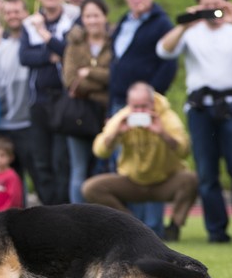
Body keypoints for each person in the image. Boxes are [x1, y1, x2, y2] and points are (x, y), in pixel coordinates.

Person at [157, 0, 232, 244]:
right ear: (198, 5)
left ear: (226, 3)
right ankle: (217, 231)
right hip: (200, 107)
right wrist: (187, 22)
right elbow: (163, 50)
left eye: (217, 4)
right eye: (206, 4)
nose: (212, 10)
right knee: (207, 173)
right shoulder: (191, 31)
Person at [109, 0, 178, 232]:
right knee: (126, 164)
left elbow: (169, 64)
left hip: (146, 105)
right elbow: (116, 68)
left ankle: (154, 227)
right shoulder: (124, 21)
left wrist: (150, 99)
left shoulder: (161, 24)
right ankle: (134, 227)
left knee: (151, 163)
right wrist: (111, 110)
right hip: (120, 104)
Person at [82, 82, 198, 239]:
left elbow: (184, 151)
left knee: (191, 179)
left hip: (164, 181)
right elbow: (99, 151)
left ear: (153, 102)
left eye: (144, 107)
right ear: (128, 104)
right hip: (132, 181)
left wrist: (163, 134)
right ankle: (131, 225)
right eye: (135, 107)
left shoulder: (167, 117)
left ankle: (174, 227)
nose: (139, 112)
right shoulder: (122, 117)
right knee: (91, 188)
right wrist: (115, 133)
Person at [18, 0, 79, 205]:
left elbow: (68, 52)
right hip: (38, 101)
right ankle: (50, 209)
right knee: (41, 161)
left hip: (64, 99)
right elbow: (25, 57)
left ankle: (64, 210)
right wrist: (50, 53)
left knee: (62, 160)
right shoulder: (29, 23)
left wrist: (45, 35)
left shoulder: (72, 20)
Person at [0, 0, 38, 200]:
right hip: (4, 126)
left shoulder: (35, 44)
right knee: (8, 188)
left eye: (17, 11)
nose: (13, 16)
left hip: (29, 124)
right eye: (8, 12)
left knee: (37, 177)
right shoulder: (1, 50)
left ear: (25, 13)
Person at [61, 0, 112, 203]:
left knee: (108, 167)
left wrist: (89, 72)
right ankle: (77, 223)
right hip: (80, 113)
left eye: (96, 15)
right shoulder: (75, 43)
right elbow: (70, 79)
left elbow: (115, 76)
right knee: (79, 169)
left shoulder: (114, 41)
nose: (92, 20)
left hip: (108, 112)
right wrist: (101, 79)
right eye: (88, 16)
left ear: (105, 17)